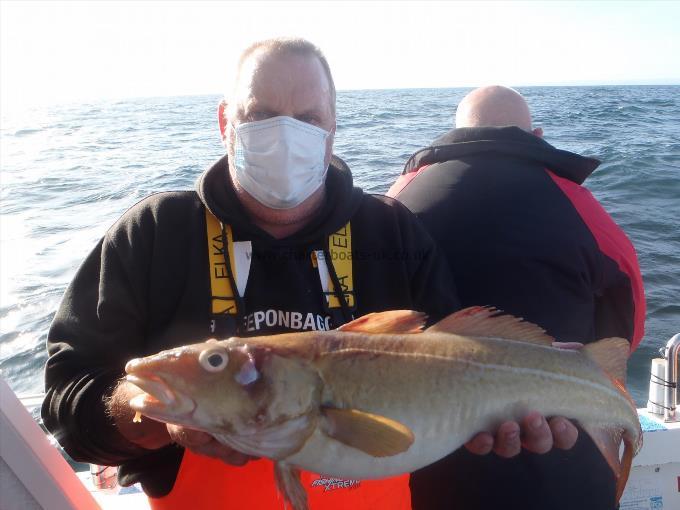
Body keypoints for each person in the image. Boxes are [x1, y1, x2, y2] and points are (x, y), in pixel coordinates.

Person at [42, 39, 576, 509]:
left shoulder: (393, 235)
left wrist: (504, 423)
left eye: (309, 119)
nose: (285, 135)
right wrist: (154, 420)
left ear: (332, 129)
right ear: (225, 122)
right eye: (260, 114)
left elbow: (460, 367)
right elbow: (67, 407)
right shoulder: (153, 234)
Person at [389, 85, 646, 510]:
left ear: (458, 133)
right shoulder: (576, 202)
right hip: (564, 458)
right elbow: (629, 320)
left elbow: (369, 316)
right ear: (536, 136)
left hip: (435, 460)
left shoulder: (399, 199)